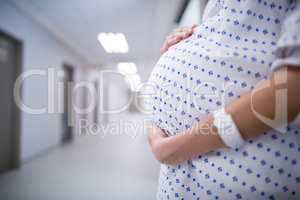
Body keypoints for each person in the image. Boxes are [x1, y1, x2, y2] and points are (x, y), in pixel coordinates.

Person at [147, 0, 300, 199]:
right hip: (178, 181)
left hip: (243, 178)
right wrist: (192, 37)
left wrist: (177, 149)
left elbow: (290, 92)